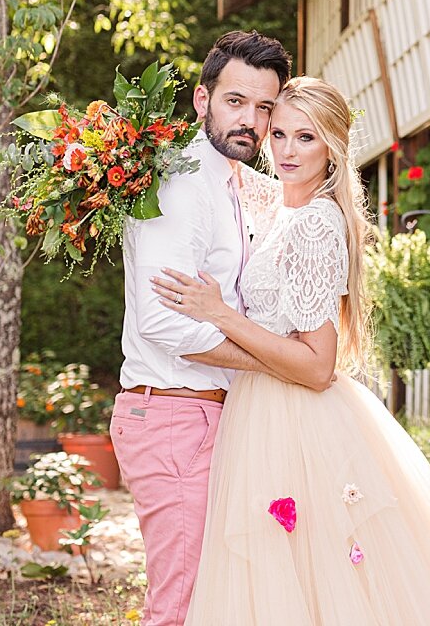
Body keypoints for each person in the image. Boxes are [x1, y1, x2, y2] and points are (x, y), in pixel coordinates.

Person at [153, 77, 430, 625]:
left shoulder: (317, 225)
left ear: (332, 150)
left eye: (307, 137)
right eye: (280, 134)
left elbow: (319, 365)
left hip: (295, 419)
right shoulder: (280, 209)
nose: (288, 150)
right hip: (259, 414)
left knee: (320, 580)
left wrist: (219, 313)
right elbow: (219, 172)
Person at [111, 30, 294, 626]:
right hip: (171, 415)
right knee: (181, 605)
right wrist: (275, 362)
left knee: (220, 600)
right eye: (235, 101)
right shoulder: (181, 183)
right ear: (201, 100)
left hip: (215, 415)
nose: (251, 120)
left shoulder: (237, 186)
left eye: (264, 107)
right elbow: (165, 320)